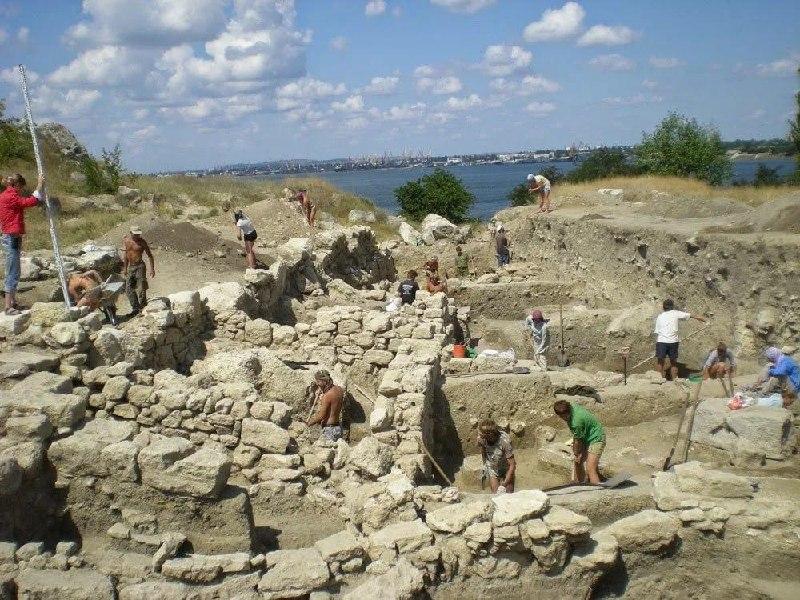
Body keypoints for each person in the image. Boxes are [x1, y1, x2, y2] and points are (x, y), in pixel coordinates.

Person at [0, 173, 43, 315]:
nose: (21, 190)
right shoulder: (10, 196)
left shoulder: (7, 195)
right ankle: (8, 307)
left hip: (12, 236)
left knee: (15, 271)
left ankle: (12, 302)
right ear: (17, 185)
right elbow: (29, 202)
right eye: (21, 187)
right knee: (12, 271)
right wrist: (39, 186)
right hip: (11, 237)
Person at [553, 400, 605, 485]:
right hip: (586, 437)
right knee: (578, 462)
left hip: (596, 438)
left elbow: (577, 441)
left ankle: (596, 490)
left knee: (590, 468)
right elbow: (578, 438)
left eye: (564, 416)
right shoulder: (571, 407)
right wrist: (578, 455)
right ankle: (582, 483)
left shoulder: (576, 422)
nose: (564, 418)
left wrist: (576, 453)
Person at [653, 299, 706, 380]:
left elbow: (657, 331)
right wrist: (701, 318)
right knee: (673, 363)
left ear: (663, 307)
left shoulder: (660, 316)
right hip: (673, 341)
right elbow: (690, 315)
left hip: (661, 341)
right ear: (672, 307)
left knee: (660, 362)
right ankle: (675, 380)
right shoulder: (675, 313)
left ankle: (657, 379)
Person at [122, 226, 155, 315]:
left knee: (141, 288)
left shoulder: (142, 242)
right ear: (131, 233)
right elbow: (126, 255)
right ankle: (135, 308)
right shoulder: (127, 241)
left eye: (138, 234)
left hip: (140, 266)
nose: (137, 236)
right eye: (135, 234)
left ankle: (143, 308)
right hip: (131, 267)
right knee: (128, 288)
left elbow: (150, 255)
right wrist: (125, 268)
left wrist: (152, 269)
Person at [477, 419, 515, 493]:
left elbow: (512, 465)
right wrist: (484, 464)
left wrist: (504, 484)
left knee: (509, 494)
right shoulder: (481, 438)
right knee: (496, 495)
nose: (480, 435)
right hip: (493, 467)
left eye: (482, 434)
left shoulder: (504, 442)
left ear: (489, 435)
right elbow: (483, 449)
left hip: (506, 467)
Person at [307, 369, 344, 442]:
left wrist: (309, 423)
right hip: (338, 428)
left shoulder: (327, 396)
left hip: (329, 430)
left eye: (318, 381)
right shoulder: (339, 390)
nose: (317, 384)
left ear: (324, 381)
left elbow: (321, 416)